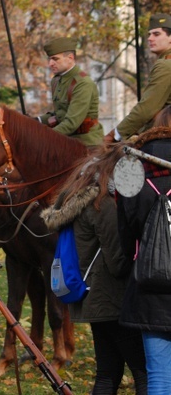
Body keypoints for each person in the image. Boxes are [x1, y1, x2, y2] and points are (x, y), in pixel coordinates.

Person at [42, 148, 147, 394]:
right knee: (143, 372)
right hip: (111, 300)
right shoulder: (103, 204)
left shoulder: (77, 200)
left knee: (107, 373)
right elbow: (116, 261)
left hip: (93, 298)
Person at [117, 124, 171, 394]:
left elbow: (125, 235)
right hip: (150, 287)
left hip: (150, 285)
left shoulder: (131, 170)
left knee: (159, 377)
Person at [106, 13, 171, 143]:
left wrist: (115, 134)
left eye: (156, 34)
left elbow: (147, 109)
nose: (150, 38)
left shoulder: (165, 65)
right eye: (149, 35)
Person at [35, 37, 104, 146]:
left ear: (70, 58)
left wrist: (43, 137)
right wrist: (36, 121)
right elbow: (60, 115)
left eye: (55, 59)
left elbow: (71, 123)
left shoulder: (83, 83)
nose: (50, 63)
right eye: (49, 59)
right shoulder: (56, 80)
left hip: (86, 143)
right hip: (67, 141)